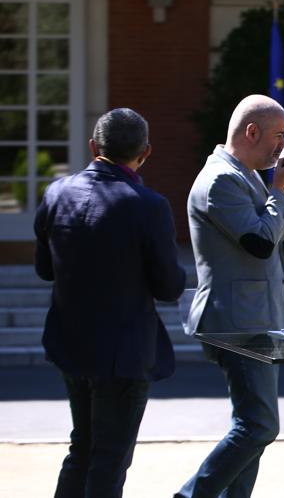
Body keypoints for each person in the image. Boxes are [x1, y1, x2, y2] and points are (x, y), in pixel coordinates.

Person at [35, 108, 186, 498]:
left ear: (93, 147)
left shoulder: (56, 193)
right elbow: (169, 287)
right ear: (146, 152)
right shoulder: (149, 205)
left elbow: (45, 269)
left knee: (82, 447)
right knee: (109, 458)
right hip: (124, 352)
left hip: (70, 342)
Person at [177, 95, 284, 498]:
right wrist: (280, 191)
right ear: (251, 132)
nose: (282, 145)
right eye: (278, 135)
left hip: (255, 318)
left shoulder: (247, 174)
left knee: (253, 427)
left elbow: (280, 233)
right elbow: (259, 242)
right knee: (259, 426)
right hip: (235, 323)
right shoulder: (220, 180)